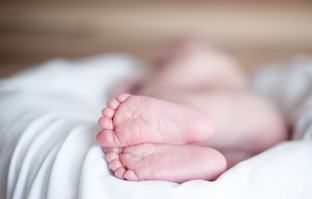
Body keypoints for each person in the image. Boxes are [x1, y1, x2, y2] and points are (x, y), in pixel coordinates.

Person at [96, 38, 289, 183]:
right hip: (256, 123)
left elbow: (117, 92)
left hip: (215, 119)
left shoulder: (194, 56)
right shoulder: (236, 74)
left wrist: (138, 86)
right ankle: (199, 161)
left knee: (171, 102)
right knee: (255, 124)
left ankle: (174, 115)